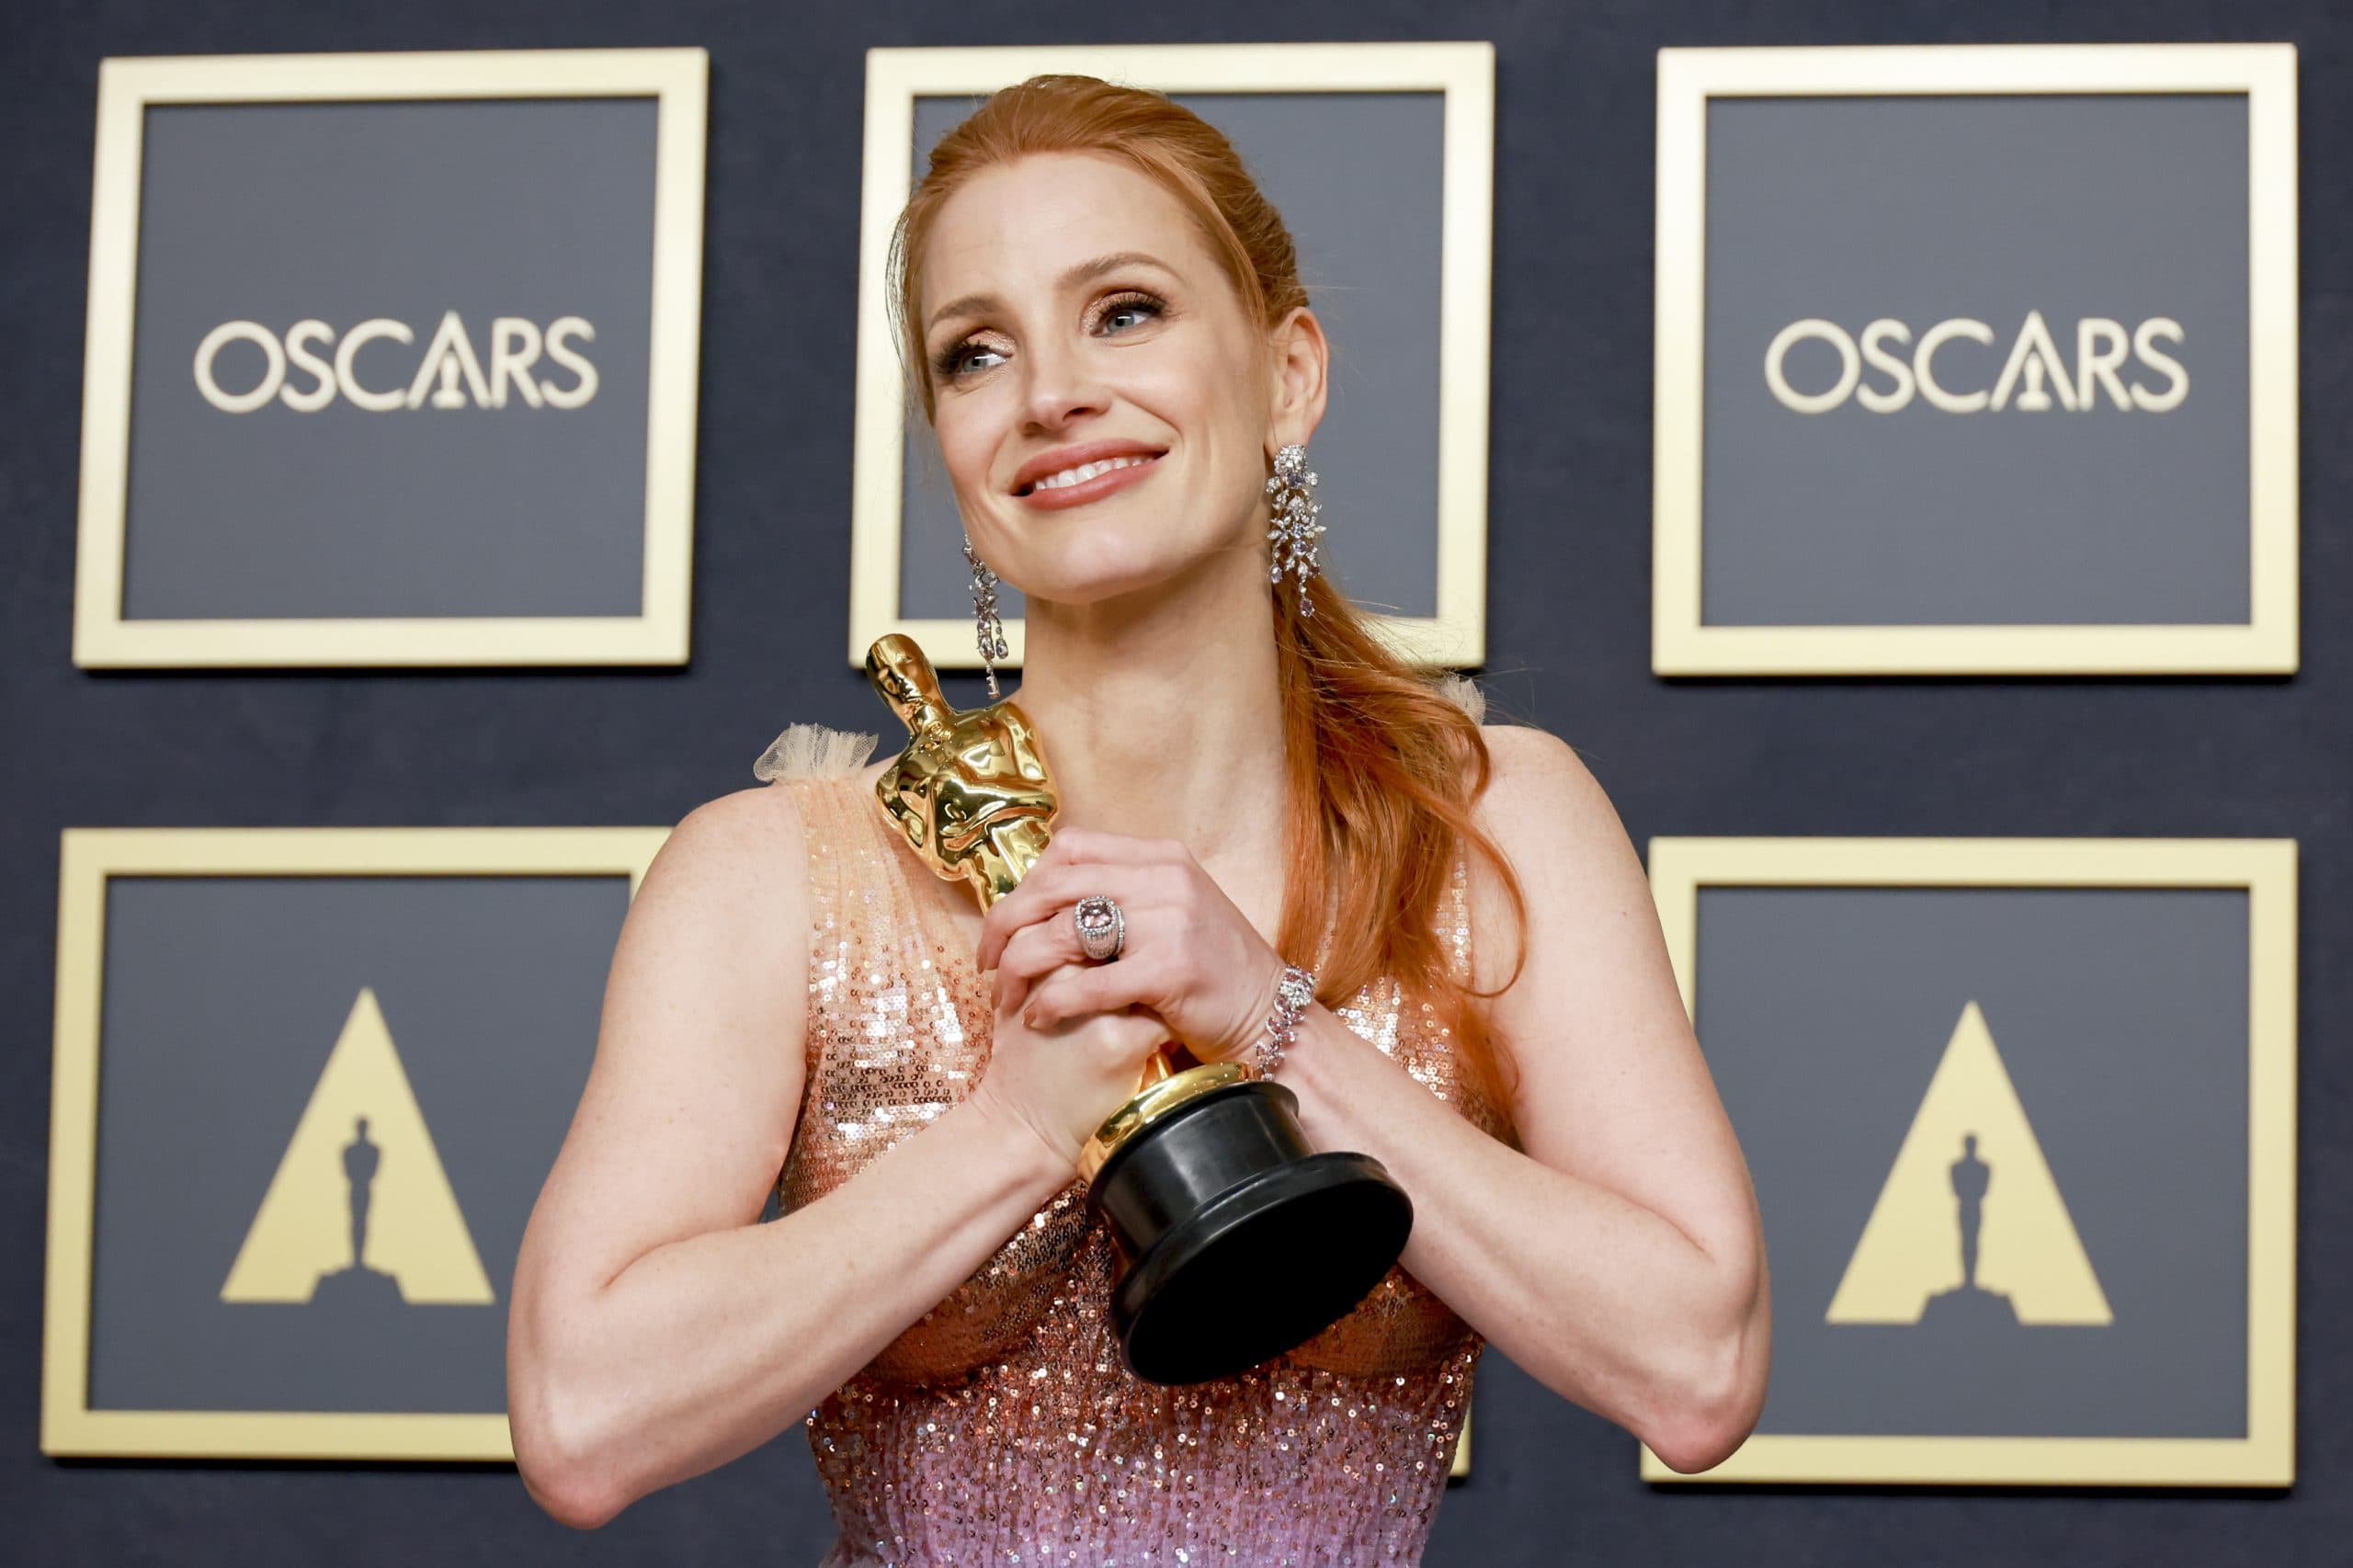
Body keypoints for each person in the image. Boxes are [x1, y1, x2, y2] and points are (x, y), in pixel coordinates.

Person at [506, 74, 1770, 1562]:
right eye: (977, 351)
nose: (1051, 391)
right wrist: (1015, 1129)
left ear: (1288, 372)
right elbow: (580, 1420)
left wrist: (1270, 1019)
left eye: (1124, 312)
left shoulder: (1492, 827)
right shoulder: (775, 875)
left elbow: (1698, 1369)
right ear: (951, 447)